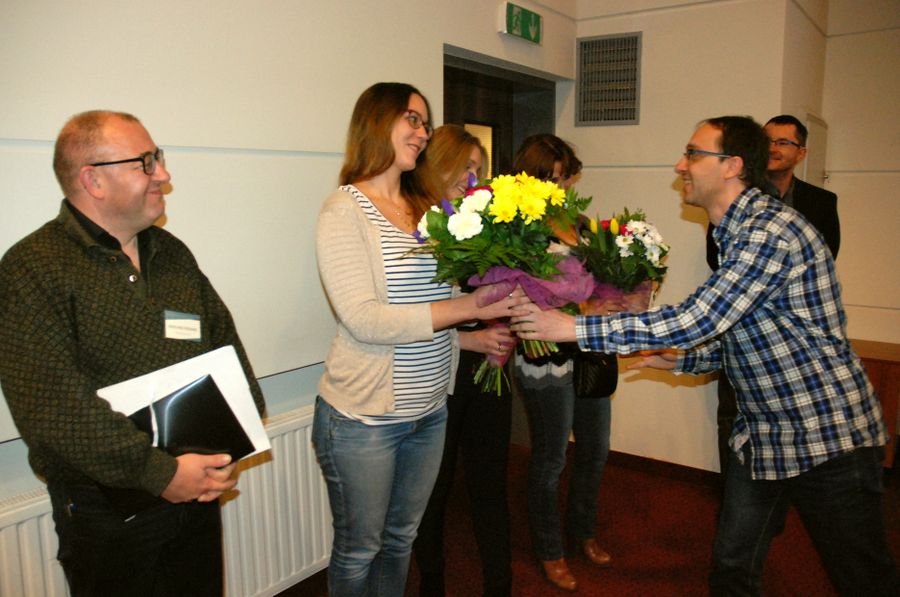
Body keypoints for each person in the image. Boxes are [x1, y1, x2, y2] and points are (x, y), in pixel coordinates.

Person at [510, 116, 899, 596]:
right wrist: (685, 361)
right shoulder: (732, 232)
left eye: (693, 154)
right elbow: (748, 329)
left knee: (864, 579)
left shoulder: (768, 232)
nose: (681, 165)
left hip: (824, 436)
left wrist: (572, 327)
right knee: (733, 566)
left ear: (732, 165)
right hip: (762, 435)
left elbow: (700, 319)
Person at [0, 110, 266, 596]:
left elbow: (225, 346)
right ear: (93, 180)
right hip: (108, 513)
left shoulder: (171, 253)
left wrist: (232, 442)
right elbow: (54, 410)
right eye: (145, 162)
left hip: (196, 490)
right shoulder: (32, 268)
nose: (163, 173)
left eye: (157, 157)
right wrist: (159, 473)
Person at [313, 83, 527, 596]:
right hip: (366, 418)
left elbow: (436, 309)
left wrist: (482, 320)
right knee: (360, 549)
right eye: (412, 118)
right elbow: (364, 319)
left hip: (431, 411)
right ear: (376, 121)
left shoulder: (427, 209)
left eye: (425, 123)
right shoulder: (345, 210)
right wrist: (471, 308)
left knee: (400, 541)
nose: (423, 132)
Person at [412, 125, 516, 597]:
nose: (470, 176)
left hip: (490, 373)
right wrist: (471, 340)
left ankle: (500, 584)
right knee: (433, 493)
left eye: (477, 168)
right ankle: (432, 585)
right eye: (463, 166)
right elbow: (409, 317)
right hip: (441, 374)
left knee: (491, 485)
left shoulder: (486, 223)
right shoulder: (416, 229)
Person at [706, 114, 841, 477]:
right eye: (768, 140)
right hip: (739, 323)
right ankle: (734, 488)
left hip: (792, 336)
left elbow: (825, 259)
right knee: (731, 412)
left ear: (802, 152)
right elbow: (716, 256)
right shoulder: (735, 197)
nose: (774, 148)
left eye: (784, 142)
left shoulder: (821, 202)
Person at [512, 134, 617, 592]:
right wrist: (574, 307)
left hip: (590, 353)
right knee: (551, 459)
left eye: (563, 177)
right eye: (547, 178)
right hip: (545, 358)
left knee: (595, 449)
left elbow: (602, 282)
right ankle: (549, 549)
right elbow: (510, 291)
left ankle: (583, 530)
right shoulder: (515, 228)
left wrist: (615, 296)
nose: (557, 186)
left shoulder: (581, 224)